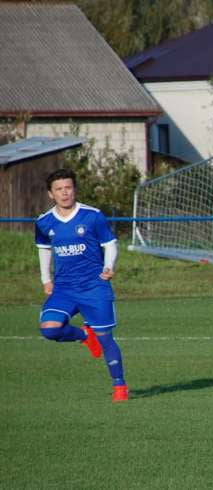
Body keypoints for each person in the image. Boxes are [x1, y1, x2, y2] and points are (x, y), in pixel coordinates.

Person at [35, 169, 127, 402]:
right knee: (50, 329)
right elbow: (44, 250)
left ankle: (120, 386)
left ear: (74, 189)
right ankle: (84, 335)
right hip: (64, 288)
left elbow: (111, 244)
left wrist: (108, 266)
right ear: (50, 194)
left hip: (93, 286)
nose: (65, 193)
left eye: (68, 187)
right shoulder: (44, 222)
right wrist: (46, 280)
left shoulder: (93, 216)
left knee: (105, 337)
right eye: (59, 189)